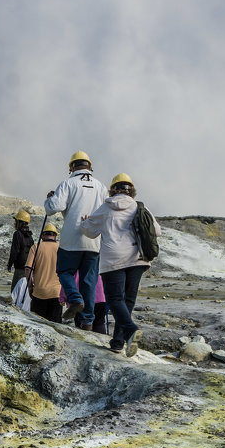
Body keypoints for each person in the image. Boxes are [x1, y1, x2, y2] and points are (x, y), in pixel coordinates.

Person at [81, 173, 160, 356]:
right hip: (138, 258)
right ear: (131, 189)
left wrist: (84, 222)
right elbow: (157, 231)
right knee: (128, 300)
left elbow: (90, 232)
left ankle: (131, 331)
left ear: (113, 189)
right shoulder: (140, 207)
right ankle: (118, 342)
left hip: (113, 260)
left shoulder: (106, 208)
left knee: (115, 300)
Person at [45, 151, 106, 329]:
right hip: (93, 242)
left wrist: (50, 199)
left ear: (71, 167)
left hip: (71, 240)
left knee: (64, 271)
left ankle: (75, 298)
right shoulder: (101, 186)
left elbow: (54, 207)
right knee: (89, 281)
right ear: (89, 166)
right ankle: (87, 323)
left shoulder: (68, 183)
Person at [24, 225, 62, 322]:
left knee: (38, 325)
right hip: (56, 293)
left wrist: (30, 287)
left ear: (42, 235)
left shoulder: (36, 247)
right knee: (56, 327)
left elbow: (28, 269)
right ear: (55, 236)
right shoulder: (61, 248)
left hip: (39, 293)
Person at [6, 210, 34, 291]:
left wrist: (10, 265)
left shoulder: (17, 234)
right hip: (29, 268)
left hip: (20, 268)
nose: (14, 223)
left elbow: (14, 251)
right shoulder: (30, 236)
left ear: (19, 222)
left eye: (16, 221)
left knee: (15, 291)